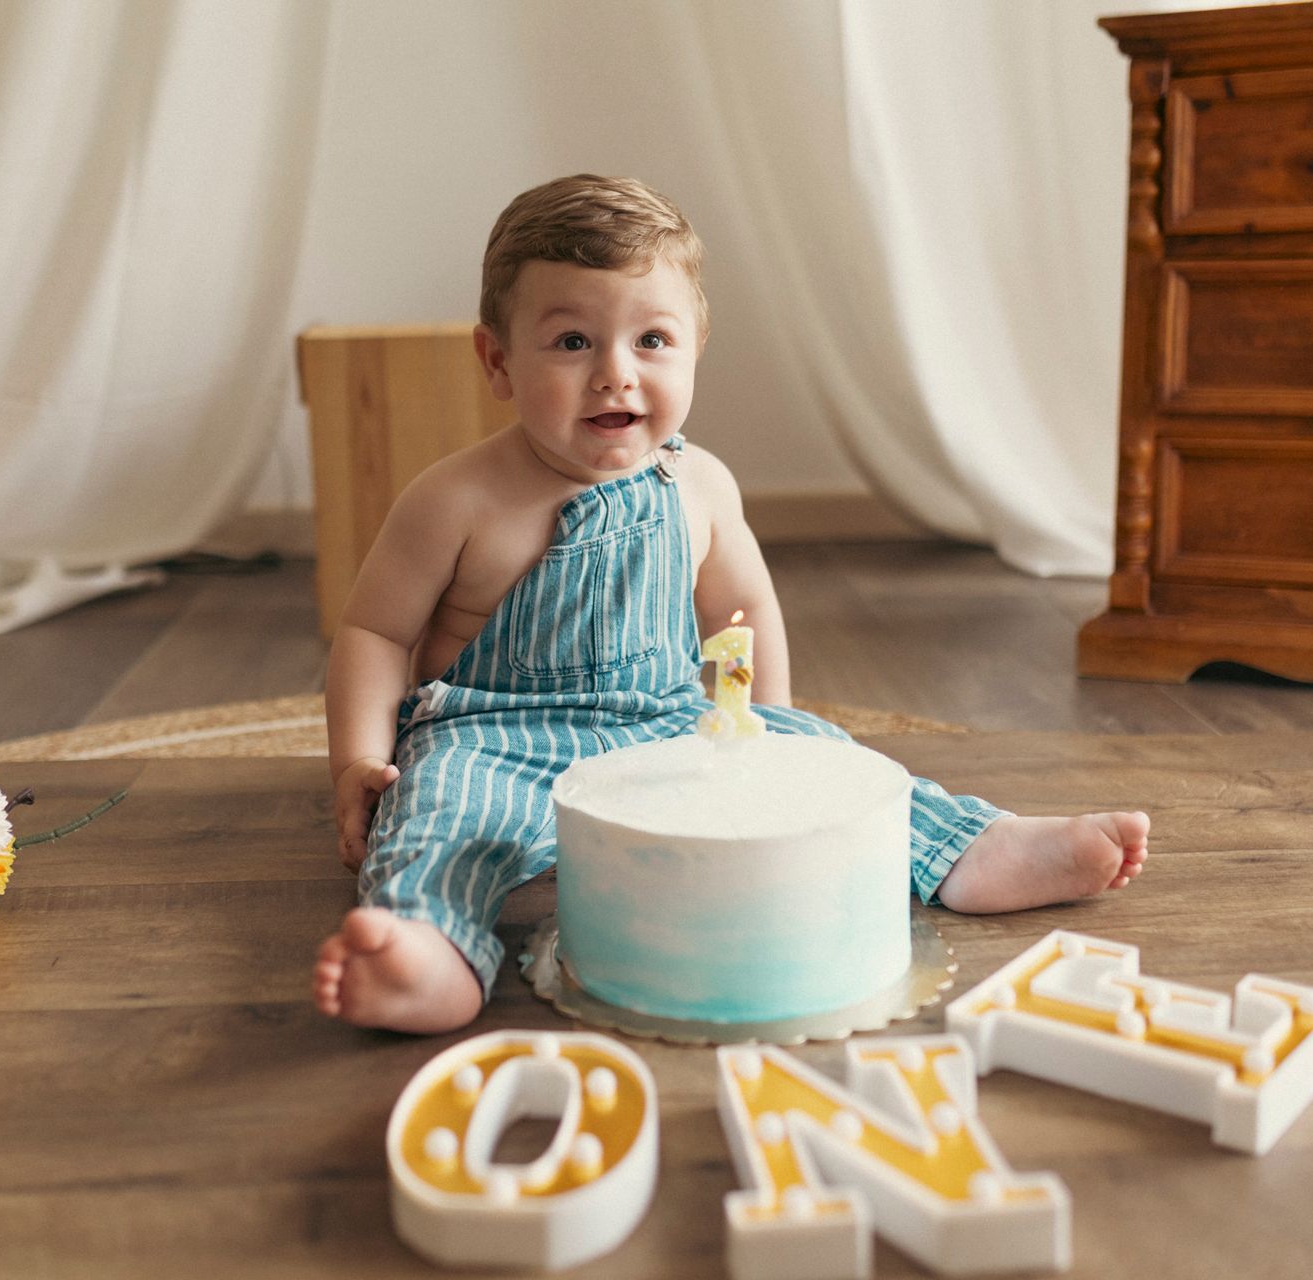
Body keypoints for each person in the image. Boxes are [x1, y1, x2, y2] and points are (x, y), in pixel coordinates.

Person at [314, 174, 1149, 1033]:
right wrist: (357, 763)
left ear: (696, 346)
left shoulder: (699, 484)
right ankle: (428, 950)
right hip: (493, 735)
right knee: (445, 813)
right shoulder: (455, 498)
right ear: (498, 361)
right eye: (571, 342)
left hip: (672, 720)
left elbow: (742, 607)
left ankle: (973, 848)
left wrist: (769, 736)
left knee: (832, 756)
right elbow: (377, 631)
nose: (615, 374)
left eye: (651, 340)